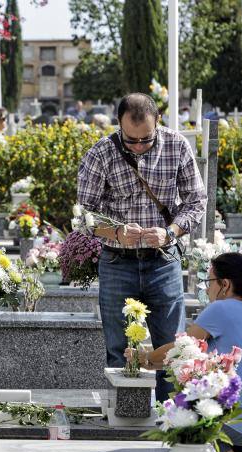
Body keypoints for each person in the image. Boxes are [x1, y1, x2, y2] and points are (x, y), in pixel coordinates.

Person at [77, 93, 207, 402]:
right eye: (130, 140)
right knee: (118, 347)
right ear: (119, 125)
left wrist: (170, 231)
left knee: (173, 347)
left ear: (158, 122)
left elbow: (196, 202)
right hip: (116, 260)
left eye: (145, 140)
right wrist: (118, 233)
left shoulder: (177, 146)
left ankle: (172, 417)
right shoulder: (101, 154)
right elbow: (84, 214)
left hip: (163, 260)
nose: (137, 147)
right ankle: (127, 417)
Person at [126, 252, 242, 452]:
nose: (206, 288)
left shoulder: (220, 309)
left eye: (209, 281)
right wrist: (152, 363)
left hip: (239, 424)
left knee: (181, 408)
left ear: (225, 284)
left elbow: (181, 348)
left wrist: (143, 358)